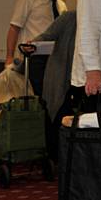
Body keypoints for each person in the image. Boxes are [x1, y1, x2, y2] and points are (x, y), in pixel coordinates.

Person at [6, 0, 70, 96]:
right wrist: (9, 57)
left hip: (54, 59)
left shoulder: (61, 5)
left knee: (52, 95)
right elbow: (14, 28)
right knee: (35, 94)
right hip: (33, 56)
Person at [33, 10, 77, 160]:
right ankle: (56, 156)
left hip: (79, 80)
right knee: (59, 115)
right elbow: (45, 37)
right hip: (62, 78)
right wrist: (30, 46)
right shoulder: (69, 17)